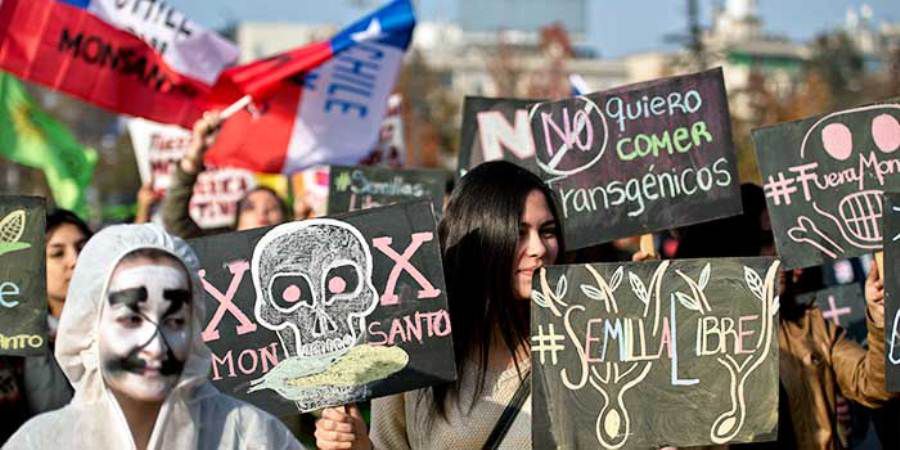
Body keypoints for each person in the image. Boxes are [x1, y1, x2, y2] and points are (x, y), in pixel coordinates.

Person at [4, 224, 303, 450]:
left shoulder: (249, 434)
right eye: (132, 319)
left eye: (174, 321)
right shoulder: (40, 443)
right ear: (89, 327)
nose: (156, 346)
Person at [674, 184, 897, 450]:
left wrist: (880, 317)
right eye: (765, 245)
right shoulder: (693, 345)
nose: (778, 258)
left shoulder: (809, 327)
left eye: (781, 246)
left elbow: (875, 386)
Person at [162, 111, 289, 239]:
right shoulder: (217, 250)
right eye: (250, 208)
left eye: (272, 208)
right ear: (237, 222)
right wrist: (195, 154)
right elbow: (175, 220)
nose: (262, 213)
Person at [21, 209, 92, 416]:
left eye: (83, 248)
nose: (75, 260)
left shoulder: (122, 326)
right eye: (57, 254)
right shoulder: (20, 343)